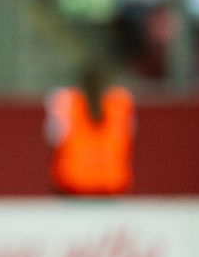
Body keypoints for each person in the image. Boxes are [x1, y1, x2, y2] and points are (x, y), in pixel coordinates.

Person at [44, 60, 135, 196]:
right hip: (111, 186)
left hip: (74, 186)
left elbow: (52, 137)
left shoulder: (66, 102)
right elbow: (130, 133)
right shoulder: (121, 102)